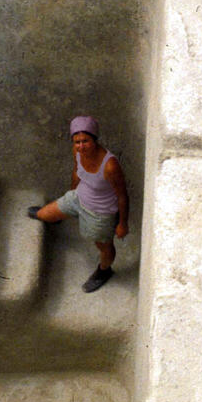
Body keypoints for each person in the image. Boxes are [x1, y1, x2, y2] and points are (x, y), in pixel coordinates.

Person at [28, 115, 129, 293]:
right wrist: (71, 193)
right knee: (44, 214)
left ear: (95, 140)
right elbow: (76, 172)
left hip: (100, 212)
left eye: (85, 141)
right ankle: (58, 217)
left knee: (103, 245)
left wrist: (122, 224)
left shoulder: (110, 165)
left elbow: (122, 195)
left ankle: (104, 271)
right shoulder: (78, 153)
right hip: (78, 198)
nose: (81, 146)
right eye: (77, 142)